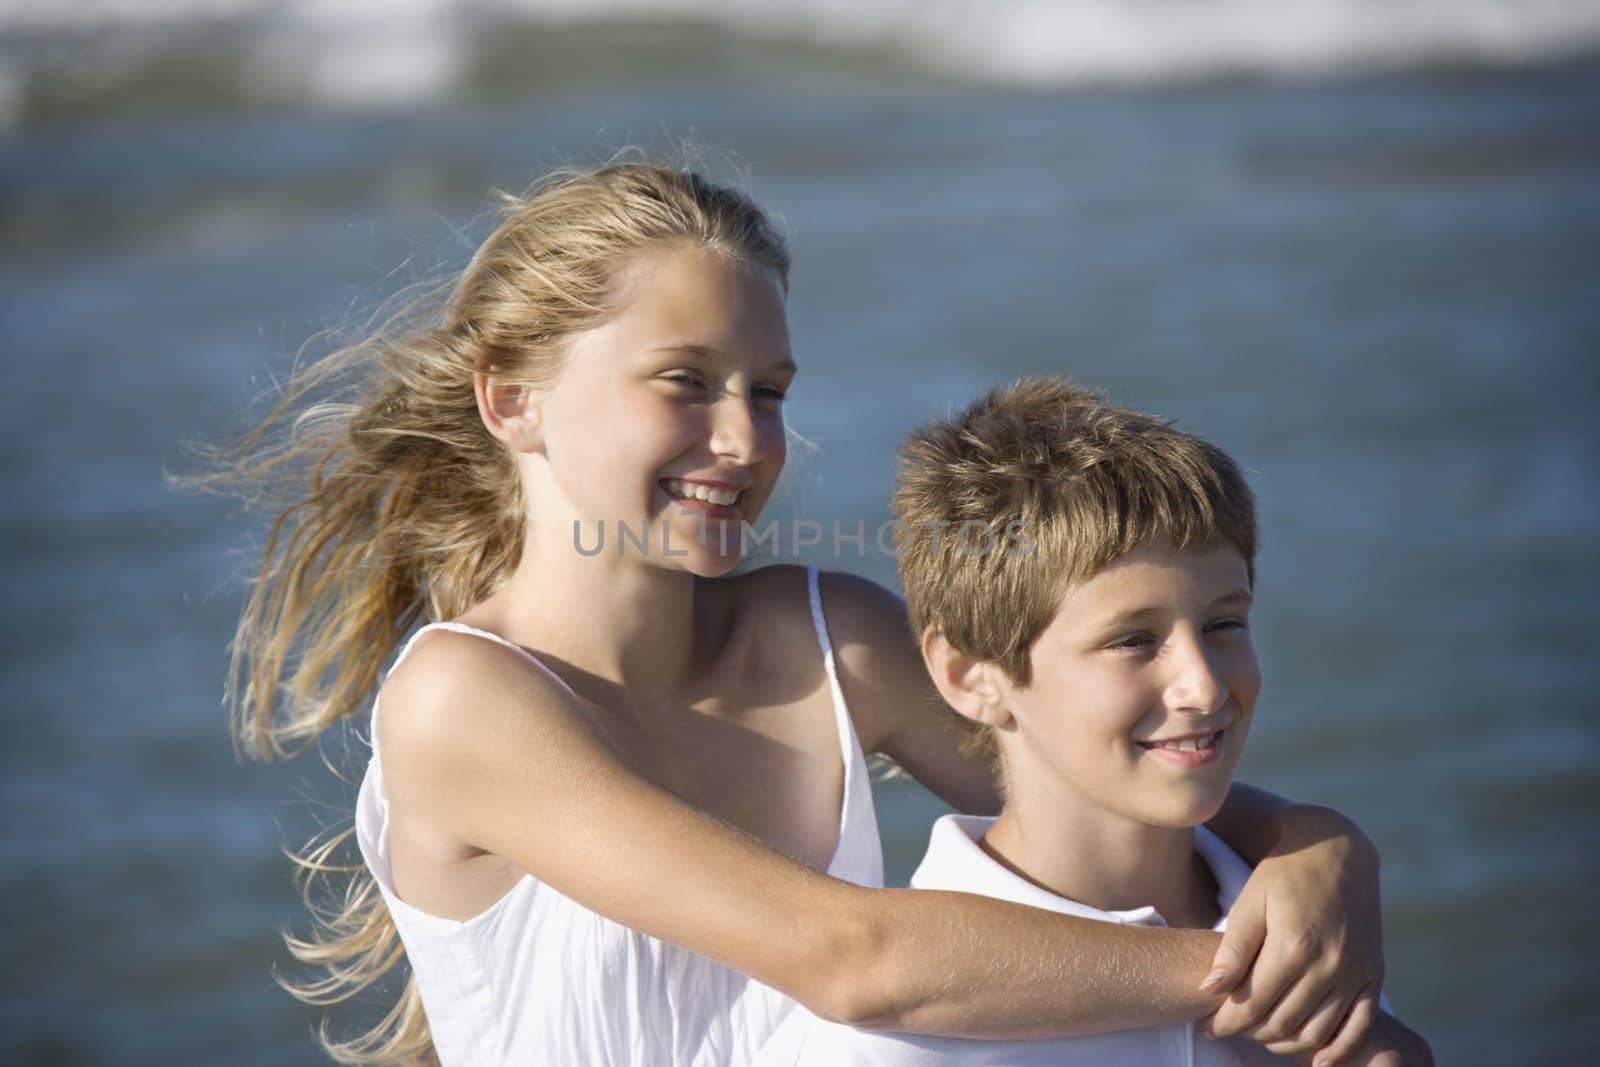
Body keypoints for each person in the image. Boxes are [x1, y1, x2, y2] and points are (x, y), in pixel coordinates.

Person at [205, 160, 1389, 1067]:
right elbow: (855, 959)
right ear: (513, 398)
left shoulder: (830, 637)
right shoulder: (463, 698)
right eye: (684, 382)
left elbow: (1118, 773)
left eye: (766, 392)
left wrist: (1319, 845)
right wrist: (1245, 970)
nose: (742, 440)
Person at [751, 378, 1432, 1066]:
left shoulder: (1307, 928)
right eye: (1133, 639)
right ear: (969, 676)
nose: (1203, 684)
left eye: (1225, 622)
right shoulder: (886, 1044)